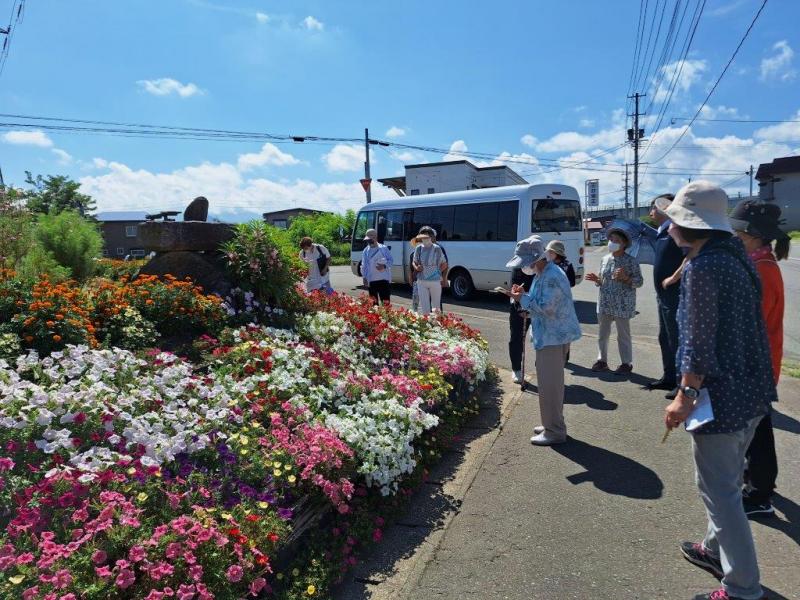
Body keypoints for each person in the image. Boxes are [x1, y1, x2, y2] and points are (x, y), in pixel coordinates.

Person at [662, 181, 775, 600]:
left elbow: (697, 340)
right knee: (723, 482)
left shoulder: (703, 268)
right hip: (753, 391)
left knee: (722, 492)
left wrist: (683, 395)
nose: (668, 225)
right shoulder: (737, 258)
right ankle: (713, 550)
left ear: (683, 225)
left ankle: (743, 587)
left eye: (672, 219)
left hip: (722, 399)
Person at [730, 199, 789, 519]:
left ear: (751, 233)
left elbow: (750, 323)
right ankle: (759, 479)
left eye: (737, 229)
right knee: (757, 428)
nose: (733, 235)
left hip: (755, 365)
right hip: (757, 362)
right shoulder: (758, 262)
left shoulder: (761, 270)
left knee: (759, 431)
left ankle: (760, 492)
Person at [507, 235, 581, 445]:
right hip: (550, 336)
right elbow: (542, 302)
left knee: (550, 386)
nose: (523, 267)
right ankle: (552, 423)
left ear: (536, 259)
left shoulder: (550, 275)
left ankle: (555, 430)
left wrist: (522, 299)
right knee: (550, 385)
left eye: (524, 263)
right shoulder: (544, 272)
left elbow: (546, 308)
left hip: (552, 338)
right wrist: (524, 296)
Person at [585, 228, 643, 375]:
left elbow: (639, 281)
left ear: (624, 244)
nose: (612, 242)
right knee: (602, 334)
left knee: (623, 335)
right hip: (604, 302)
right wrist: (597, 280)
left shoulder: (631, 261)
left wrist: (626, 278)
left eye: (617, 240)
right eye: (611, 239)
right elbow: (602, 280)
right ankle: (601, 361)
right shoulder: (605, 259)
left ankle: (626, 363)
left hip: (622, 304)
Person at [647, 194, 685, 399]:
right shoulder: (661, 233)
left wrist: (674, 277)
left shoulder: (677, 230)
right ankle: (669, 377)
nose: (651, 211)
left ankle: (682, 384)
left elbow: (690, 255)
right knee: (665, 337)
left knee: (677, 338)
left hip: (675, 294)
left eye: (654, 207)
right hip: (662, 295)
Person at [507, 264, 534, 384]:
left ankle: (542, 367)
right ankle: (516, 369)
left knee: (539, 337)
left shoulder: (542, 268)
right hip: (518, 306)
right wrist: (520, 308)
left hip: (538, 306)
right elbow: (514, 289)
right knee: (516, 337)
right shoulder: (517, 268)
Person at [411, 231, 448, 315]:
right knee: (425, 308)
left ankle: (437, 326)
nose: (424, 239)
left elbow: (445, 264)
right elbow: (414, 262)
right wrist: (417, 268)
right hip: (421, 281)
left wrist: (437, 272)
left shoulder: (437, 248)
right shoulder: (418, 248)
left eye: (426, 237)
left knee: (436, 307)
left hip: (435, 281)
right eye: (423, 237)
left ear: (430, 237)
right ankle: (427, 326)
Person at [361, 228, 393, 305]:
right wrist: (364, 277)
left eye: (370, 240)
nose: (368, 242)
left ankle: (386, 317)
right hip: (371, 281)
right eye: (367, 240)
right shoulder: (365, 250)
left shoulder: (383, 248)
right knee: (374, 305)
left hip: (383, 280)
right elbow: (364, 265)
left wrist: (384, 266)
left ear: (375, 237)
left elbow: (391, 260)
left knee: (386, 305)